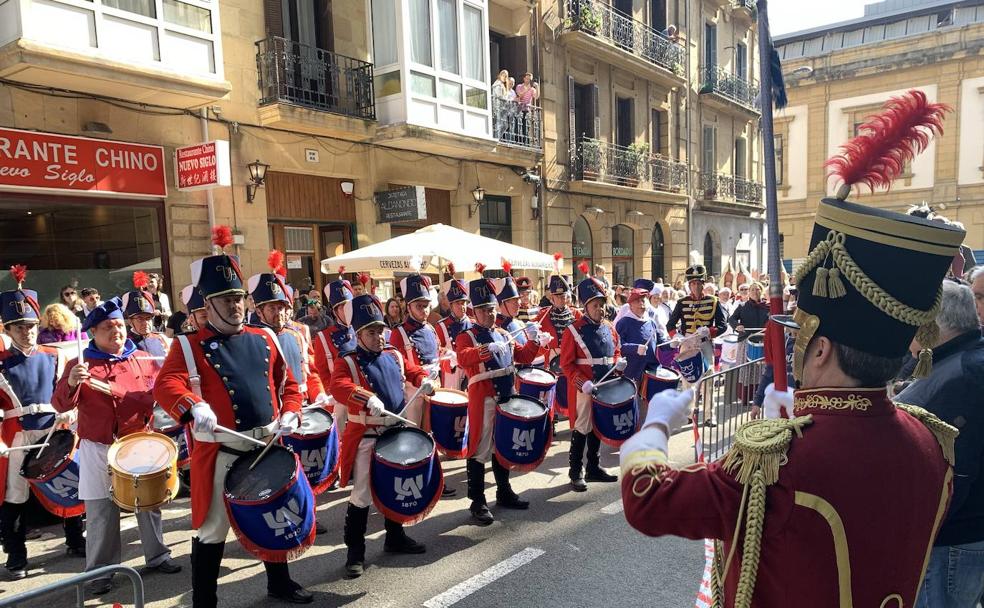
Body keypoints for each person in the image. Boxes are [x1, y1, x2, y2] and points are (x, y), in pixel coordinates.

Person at [620, 185, 966, 602]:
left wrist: (657, 422)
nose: (795, 345)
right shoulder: (933, 440)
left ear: (821, 350)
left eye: (801, 335)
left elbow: (648, 498)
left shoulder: (779, 463)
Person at [153, 231, 312, 606]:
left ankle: (280, 584)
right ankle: (204, 600)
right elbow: (166, 386)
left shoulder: (266, 338)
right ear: (208, 304)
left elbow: (288, 384)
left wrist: (290, 412)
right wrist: (193, 405)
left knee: (274, 511)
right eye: (226, 299)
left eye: (239, 297)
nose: (236, 305)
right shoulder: (188, 345)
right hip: (223, 452)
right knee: (212, 531)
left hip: (268, 443)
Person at [53, 297, 181, 596]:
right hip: (98, 446)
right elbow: (59, 403)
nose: (117, 332)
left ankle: (158, 554)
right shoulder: (79, 362)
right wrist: (71, 383)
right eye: (109, 327)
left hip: (137, 441)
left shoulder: (140, 358)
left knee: (149, 503)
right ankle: (101, 572)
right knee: (100, 511)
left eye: (120, 326)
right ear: (93, 332)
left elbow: (153, 396)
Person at [329, 293, 437, 578]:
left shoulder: (393, 353)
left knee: (393, 485)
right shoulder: (348, 361)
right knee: (362, 494)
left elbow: (410, 370)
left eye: (380, 331)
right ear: (359, 333)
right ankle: (355, 553)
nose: (378, 337)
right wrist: (364, 397)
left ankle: (394, 537)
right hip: (367, 434)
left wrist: (421, 379)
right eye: (371, 332)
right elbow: (337, 386)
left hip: (394, 429)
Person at [895, 281, 984, 608]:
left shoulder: (964, 374)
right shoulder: (963, 360)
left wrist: (918, 531)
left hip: (952, 541)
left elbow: (954, 473)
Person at [1, 268, 85, 580]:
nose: (27, 332)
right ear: (8, 329)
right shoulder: (1, 361)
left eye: (32, 326)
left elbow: (70, 392)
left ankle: (76, 540)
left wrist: (72, 411)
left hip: (57, 428)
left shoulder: (55, 355)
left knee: (70, 484)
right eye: (20, 327)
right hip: (19, 436)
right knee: (16, 494)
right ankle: (16, 555)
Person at [455, 269, 549, 524]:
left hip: (507, 396)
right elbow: (463, 357)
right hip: (484, 398)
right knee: (480, 450)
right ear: (474, 312)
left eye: (492, 308)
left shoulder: (505, 333)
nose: (490, 313)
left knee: (502, 446)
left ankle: (504, 491)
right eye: (484, 309)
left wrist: (537, 340)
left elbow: (523, 356)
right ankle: (477, 500)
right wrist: (485, 350)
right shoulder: (467, 335)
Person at [560, 265, 625, 492]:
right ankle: (575, 471)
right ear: (585, 307)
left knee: (597, 427)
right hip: (585, 388)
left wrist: (619, 362)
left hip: (605, 385)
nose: (600, 309)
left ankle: (594, 467)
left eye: (601, 305)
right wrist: (581, 383)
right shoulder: (573, 330)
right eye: (595, 305)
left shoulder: (609, 327)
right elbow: (566, 365)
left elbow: (615, 351)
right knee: (582, 428)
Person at [388, 270, 441, 424]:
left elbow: (437, 351)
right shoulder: (399, 332)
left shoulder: (431, 328)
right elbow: (397, 364)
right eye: (419, 306)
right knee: (414, 432)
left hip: (434, 384)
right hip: (412, 390)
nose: (424, 310)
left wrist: (449, 355)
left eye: (427, 306)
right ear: (409, 306)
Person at [615, 287, 668, 387]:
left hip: (651, 370)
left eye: (643, 300)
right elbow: (618, 346)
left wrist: (671, 344)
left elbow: (661, 342)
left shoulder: (651, 321)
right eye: (637, 301)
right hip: (632, 371)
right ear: (630, 305)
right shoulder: (624, 322)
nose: (641, 304)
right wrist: (635, 348)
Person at [435, 265, 471, 393]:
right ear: (451, 305)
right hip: (451, 374)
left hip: (470, 373)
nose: (462, 306)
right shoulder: (442, 326)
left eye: (464, 303)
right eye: (458, 303)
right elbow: (437, 353)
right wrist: (451, 360)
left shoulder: (472, 324)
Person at [122, 272, 169, 360]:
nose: (146, 323)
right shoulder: (124, 344)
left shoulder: (162, 339)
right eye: (140, 319)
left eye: (148, 318)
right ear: (130, 321)